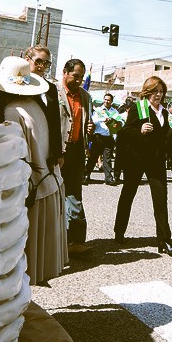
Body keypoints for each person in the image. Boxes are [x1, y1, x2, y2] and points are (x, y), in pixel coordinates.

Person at [0, 56, 67, 284]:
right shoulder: (36, 106)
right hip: (48, 183)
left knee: (21, 258)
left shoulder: (13, 111)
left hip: (30, 191)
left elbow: (11, 158)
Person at [113, 76, 172, 256]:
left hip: (156, 162)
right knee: (128, 194)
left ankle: (164, 240)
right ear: (147, 92)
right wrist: (139, 131)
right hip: (135, 160)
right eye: (155, 91)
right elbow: (125, 132)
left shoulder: (164, 112)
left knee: (160, 199)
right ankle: (119, 231)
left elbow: (166, 137)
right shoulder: (138, 108)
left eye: (161, 91)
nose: (158, 95)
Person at [56, 59, 94, 256]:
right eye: (75, 76)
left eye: (81, 77)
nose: (79, 80)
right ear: (65, 72)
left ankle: (76, 241)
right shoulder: (53, 92)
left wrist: (89, 127)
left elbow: (87, 121)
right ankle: (53, 240)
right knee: (53, 197)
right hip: (57, 152)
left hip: (77, 152)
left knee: (75, 197)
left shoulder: (85, 96)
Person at [87, 92, 119, 186]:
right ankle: (86, 175)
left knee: (107, 159)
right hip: (98, 137)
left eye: (108, 100)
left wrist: (112, 122)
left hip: (109, 138)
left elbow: (118, 124)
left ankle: (108, 178)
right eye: (105, 99)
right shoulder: (98, 110)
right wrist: (103, 119)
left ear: (111, 102)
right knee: (93, 157)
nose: (106, 101)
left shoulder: (114, 112)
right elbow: (94, 120)